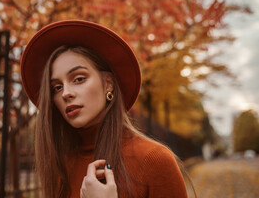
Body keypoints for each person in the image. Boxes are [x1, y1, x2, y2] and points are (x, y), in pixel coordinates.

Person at [20, 20, 188, 198]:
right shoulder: (60, 166)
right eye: (57, 87)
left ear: (108, 83)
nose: (65, 94)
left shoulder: (154, 160)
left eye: (78, 79)